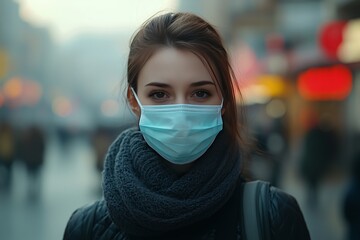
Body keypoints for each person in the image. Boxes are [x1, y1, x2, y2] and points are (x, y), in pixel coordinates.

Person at [63, 12, 310, 239]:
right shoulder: (87, 228)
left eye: (200, 93)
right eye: (160, 94)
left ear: (224, 100)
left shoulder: (273, 216)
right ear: (134, 101)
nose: (180, 112)